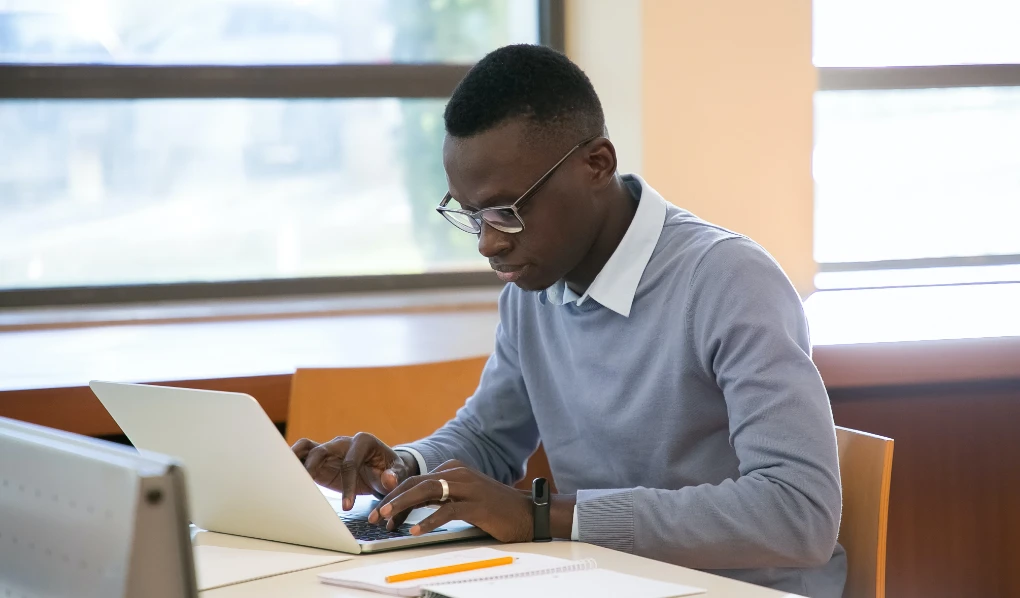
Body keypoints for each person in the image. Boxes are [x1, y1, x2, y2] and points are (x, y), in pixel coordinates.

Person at [292, 44, 846, 597]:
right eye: (471, 215)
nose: (488, 243)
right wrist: (404, 469)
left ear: (596, 165)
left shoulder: (729, 280)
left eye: (507, 211)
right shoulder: (533, 282)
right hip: (608, 581)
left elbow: (797, 511)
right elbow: (489, 436)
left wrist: (544, 516)